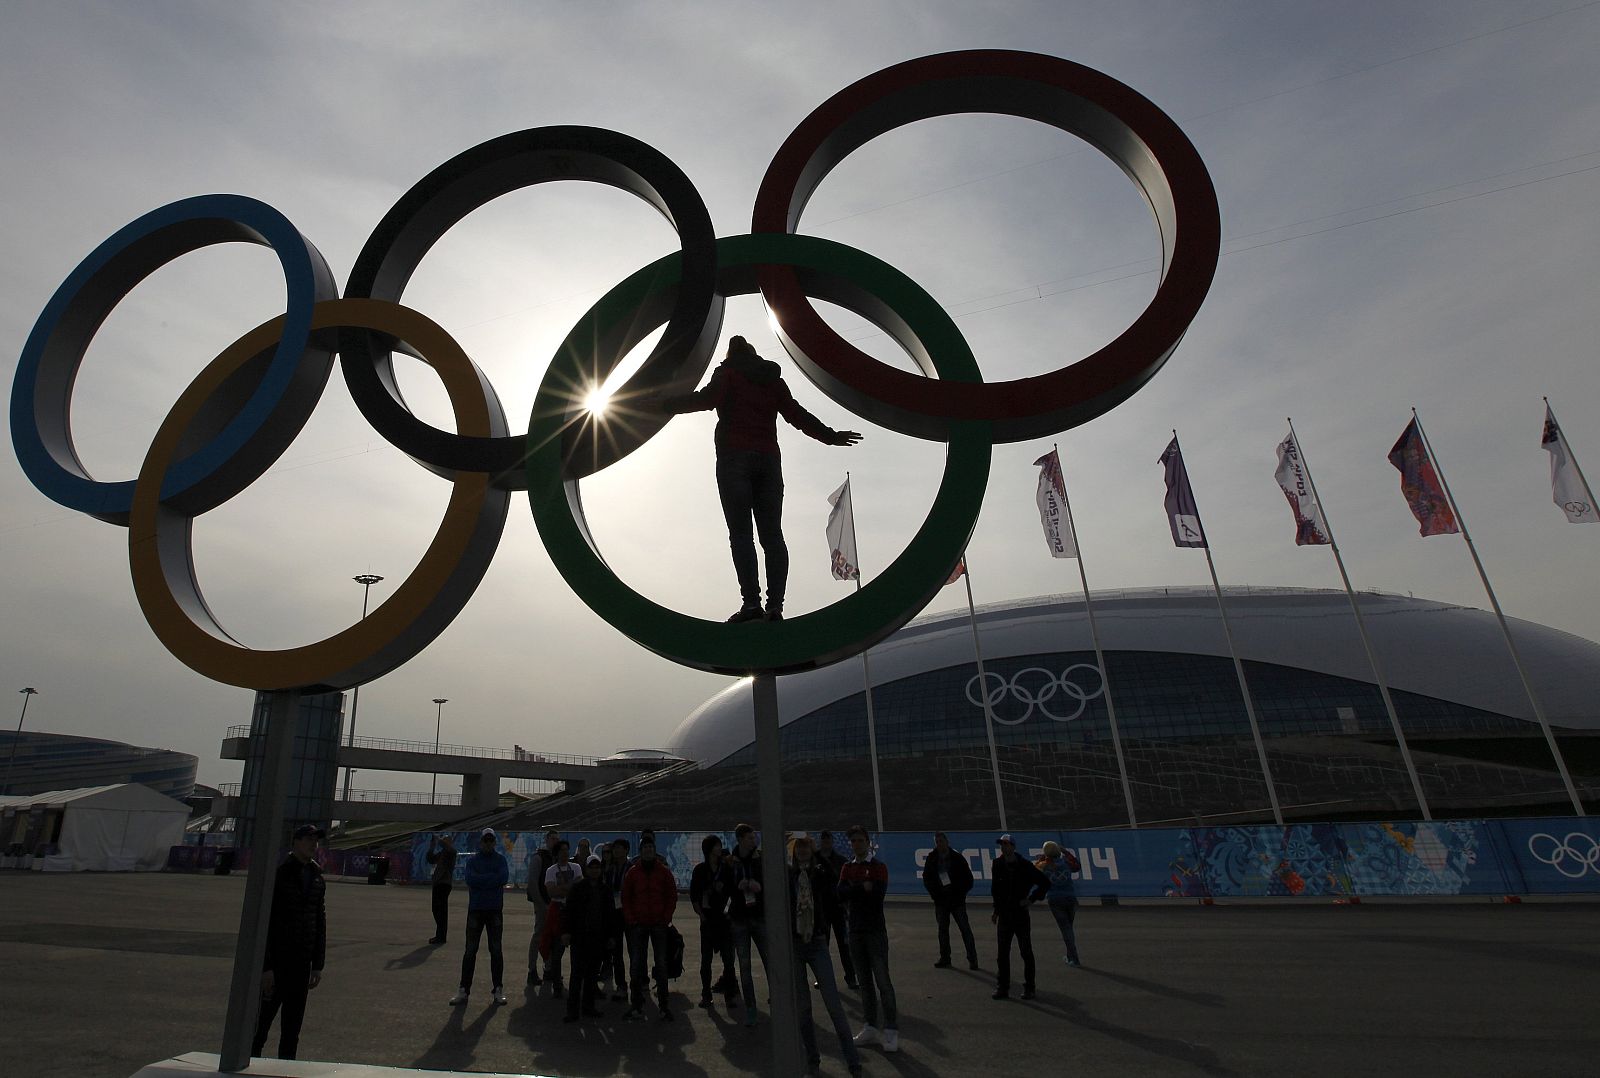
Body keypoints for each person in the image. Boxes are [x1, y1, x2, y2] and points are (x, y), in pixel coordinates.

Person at [654, 334, 863, 622]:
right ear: (754, 354)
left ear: (730, 355)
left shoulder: (727, 373)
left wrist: (664, 404)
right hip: (768, 463)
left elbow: (705, 399)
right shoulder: (771, 379)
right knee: (772, 536)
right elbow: (796, 414)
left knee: (741, 535)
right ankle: (775, 606)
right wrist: (830, 436)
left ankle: (751, 605)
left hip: (734, 460)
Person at [789, 835, 864, 1077]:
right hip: (796, 942)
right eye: (799, 848)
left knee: (834, 1005)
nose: (802, 851)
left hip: (816, 940)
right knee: (803, 1009)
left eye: (806, 848)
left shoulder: (819, 873)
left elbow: (834, 884)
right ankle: (812, 1057)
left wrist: (818, 855)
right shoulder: (789, 876)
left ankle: (852, 1060)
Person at [252, 823, 326, 1060]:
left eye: (316, 840)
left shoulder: (317, 877)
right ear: (296, 842)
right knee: (259, 1029)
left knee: (291, 1032)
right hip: (277, 964)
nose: (313, 844)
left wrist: (318, 964)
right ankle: (248, 1065)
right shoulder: (280, 875)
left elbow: (319, 921)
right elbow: (266, 921)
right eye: (308, 839)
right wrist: (266, 966)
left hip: (301, 966)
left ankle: (286, 1070)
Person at [838, 824, 899, 1054]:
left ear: (867, 842)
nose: (856, 844)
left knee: (883, 981)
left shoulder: (878, 867)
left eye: (860, 840)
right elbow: (840, 893)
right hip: (855, 930)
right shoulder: (847, 867)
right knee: (864, 983)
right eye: (853, 841)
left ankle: (891, 1029)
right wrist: (860, 888)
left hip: (874, 930)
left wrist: (854, 891)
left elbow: (876, 895)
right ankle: (870, 1026)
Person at [621, 836, 678, 1021]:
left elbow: (671, 895)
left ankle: (664, 1005)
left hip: (658, 923)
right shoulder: (633, 873)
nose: (648, 850)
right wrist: (631, 919)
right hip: (639, 924)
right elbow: (626, 897)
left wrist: (666, 917)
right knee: (636, 964)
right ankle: (636, 1004)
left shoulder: (663, 872)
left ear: (654, 850)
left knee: (661, 964)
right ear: (640, 851)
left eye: (650, 847)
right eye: (645, 847)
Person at [451, 828, 509, 1007]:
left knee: (496, 950)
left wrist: (482, 880)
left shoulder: (500, 860)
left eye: (491, 840)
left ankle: (498, 988)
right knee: (470, 950)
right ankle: (464, 989)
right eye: (486, 840)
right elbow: (471, 879)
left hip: (493, 909)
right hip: (476, 909)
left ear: (494, 842)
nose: (488, 843)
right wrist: (491, 879)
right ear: (481, 842)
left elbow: (503, 878)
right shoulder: (473, 861)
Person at [989, 834, 1050, 1001]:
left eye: (1006, 844)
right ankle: (1002, 987)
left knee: (1026, 951)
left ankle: (1030, 987)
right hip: (1004, 914)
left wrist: (1031, 899)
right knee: (1002, 953)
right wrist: (996, 911)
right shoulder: (997, 864)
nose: (1003, 847)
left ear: (1013, 847)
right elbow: (995, 889)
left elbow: (1045, 883)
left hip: (1020, 913)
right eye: (1002, 844)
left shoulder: (1025, 865)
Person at [728, 822, 770, 1027]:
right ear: (740, 840)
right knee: (744, 966)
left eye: (754, 837)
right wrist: (737, 887)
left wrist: (759, 887)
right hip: (739, 917)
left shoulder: (761, 859)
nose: (754, 841)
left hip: (759, 915)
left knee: (769, 960)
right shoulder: (730, 862)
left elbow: (771, 882)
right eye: (750, 838)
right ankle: (751, 1007)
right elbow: (725, 887)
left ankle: (778, 997)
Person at [689, 834, 738, 1008]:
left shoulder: (726, 870)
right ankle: (706, 994)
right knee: (706, 960)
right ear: (709, 849)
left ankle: (730, 994)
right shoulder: (700, 870)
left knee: (728, 960)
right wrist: (701, 915)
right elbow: (694, 895)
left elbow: (733, 893)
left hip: (724, 919)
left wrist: (728, 912)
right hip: (708, 920)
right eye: (716, 845)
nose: (719, 848)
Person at [561, 855, 609, 1022]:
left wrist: (609, 936)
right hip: (580, 937)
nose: (594, 870)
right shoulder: (578, 888)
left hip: (597, 937)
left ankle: (588, 1007)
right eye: (591, 868)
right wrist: (566, 932)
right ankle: (573, 1010)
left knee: (591, 975)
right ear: (586, 869)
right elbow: (569, 911)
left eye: (597, 867)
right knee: (577, 974)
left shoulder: (604, 889)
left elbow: (609, 914)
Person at [923, 831, 978, 970]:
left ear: (947, 841)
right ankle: (945, 957)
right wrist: (935, 895)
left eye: (941, 841)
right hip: (941, 900)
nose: (939, 844)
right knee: (943, 930)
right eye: (937, 842)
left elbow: (968, 879)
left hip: (956, 900)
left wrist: (960, 893)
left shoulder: (957, 858)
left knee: (965, 929)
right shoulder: (932, 858)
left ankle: (972, 958)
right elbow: (927, 878)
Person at [817, 831, 857, 988]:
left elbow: (847, 883)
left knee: (844, 945)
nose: (826, 842)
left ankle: (851, 976)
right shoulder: (816, 860)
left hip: (838, 908)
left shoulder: (841, 861)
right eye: (824, 839)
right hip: (822, 909)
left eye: (828, 839)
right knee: (822, 946)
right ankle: (823, 977)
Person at [542, 839, 579, 997]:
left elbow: (578, 888)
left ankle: (577, 982)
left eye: (566, 850)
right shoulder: (551, 870)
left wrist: (561, 888)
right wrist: (570, 887)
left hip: (572, 909)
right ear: (556, 854)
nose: (564, 853)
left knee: (577, 950)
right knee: (557, 950)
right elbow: (551, 892)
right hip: (558, 911)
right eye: (561, 850)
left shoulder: (576, 867)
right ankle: (557, 984)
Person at [1037, 840, 1083, 967]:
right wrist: (1066, 852)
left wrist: (1043, 857)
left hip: (1055, 899)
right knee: (1069, 928)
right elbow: (1077, 866)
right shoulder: (1066, 863)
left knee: (1066, 929)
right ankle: (1070, 955)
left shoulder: (1044, 865)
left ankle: (1074, 957)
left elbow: (1035, 869)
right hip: (1070, 898)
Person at [526, 829, 559, 987]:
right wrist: (541, 904)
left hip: (554, 903)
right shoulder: (539, 858)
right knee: (539, 936)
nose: (555, 841)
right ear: (546, 840)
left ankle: (548, 968)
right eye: (552, 839)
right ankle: (532, 970)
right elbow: (532, 883)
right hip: (543, 903)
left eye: (556, 839)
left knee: (552, 937)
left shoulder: (555, 859)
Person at [600, 838, 631, 1002]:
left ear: (626, 850)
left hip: (629, 912)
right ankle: (621, 986)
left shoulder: (631, 868)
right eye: (615, 848)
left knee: (634, 951)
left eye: (620, 848)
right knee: (617, 953)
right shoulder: (609, 869)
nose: (617, 851)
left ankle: (638, 984)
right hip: (614, 913)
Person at [425, 832, 457, 945]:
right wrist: (432, 847)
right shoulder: (443, 853)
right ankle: (440, 934)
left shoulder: (451, 852)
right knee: (436, 909)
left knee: (441, 911)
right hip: (438, 883)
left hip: (444, 883)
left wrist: (438, 839)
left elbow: (446, 847)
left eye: (446, 840)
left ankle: (441, 936)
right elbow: (431, 859)